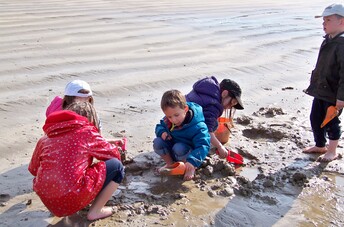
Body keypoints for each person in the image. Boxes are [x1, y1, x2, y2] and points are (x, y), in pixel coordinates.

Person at [28, 102, 125, 221]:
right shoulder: (86, 133)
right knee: (117, 166)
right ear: (90, 118)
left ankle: (61, 206)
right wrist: (110, 147)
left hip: (47, 198)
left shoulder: (45, 139)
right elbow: (114, 155)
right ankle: (96, 211)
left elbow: (33, 169)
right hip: (72, 196)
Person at [303, 3, 344, 162]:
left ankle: (332, 151)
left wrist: (341, 97)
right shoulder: (328, 39)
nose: (323, 23)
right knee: (315, 117)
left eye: (327, 20)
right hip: (321, 88)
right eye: (323, 20)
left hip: (333, 93)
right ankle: (320, 145)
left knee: (331, 120)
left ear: (341, 22)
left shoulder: (342, 44)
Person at [153, 89, 211, 181]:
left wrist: (192, 162)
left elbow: (203, 145)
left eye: (176, 115)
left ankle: (188, 168)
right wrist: (162, 132)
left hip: (189, 153)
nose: (174, 120)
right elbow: (159, 126)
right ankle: (170, 164)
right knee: (157, 142)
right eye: (169, 116)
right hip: (174, 149)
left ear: (185, 109)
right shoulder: (169, 120)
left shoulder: (198, 126)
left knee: (179, 148)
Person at [185, 76, 244, 159]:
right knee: (213, 126)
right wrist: (220, 147)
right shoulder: (213, 105)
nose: (230, 107)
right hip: (184, 131)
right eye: (233, 102)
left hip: (173, 123)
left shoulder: (206, 89)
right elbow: (208, 131)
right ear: (224, 93)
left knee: (213, 122)